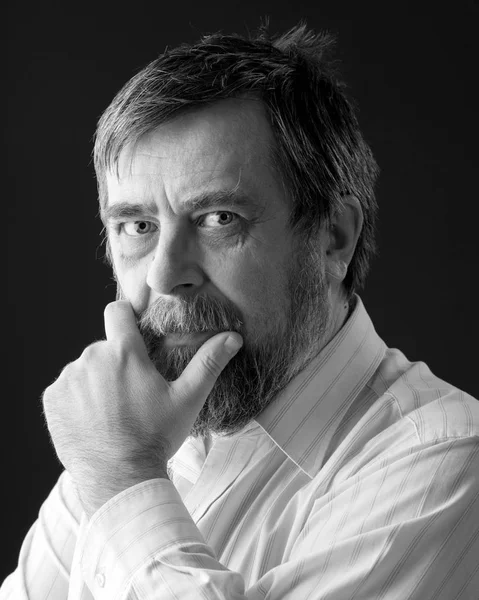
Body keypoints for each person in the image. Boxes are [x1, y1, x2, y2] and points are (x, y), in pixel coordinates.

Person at [2, 21, 478, 600]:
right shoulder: (127, 432)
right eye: (137, 227)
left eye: (218, 218)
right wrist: (122, 467)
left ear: (334, 237)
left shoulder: (448, 460)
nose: (163, 274)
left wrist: (126, 479)